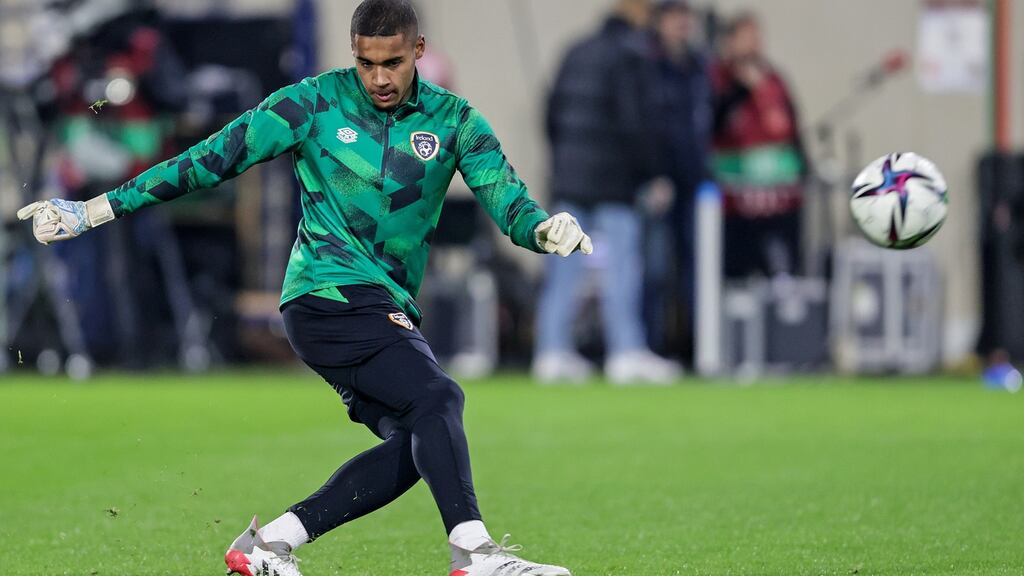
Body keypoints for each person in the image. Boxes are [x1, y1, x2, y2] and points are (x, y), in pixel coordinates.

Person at [17, 2, 589, 575]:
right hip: (326, 294)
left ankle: (267, 544)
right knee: (440, 398)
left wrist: (544, 229)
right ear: (353, 54)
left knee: (421, 441)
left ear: (418, 52)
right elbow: (210, 159)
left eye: (393, 63)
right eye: (366, 64)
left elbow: (506, 200)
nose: (380, 78)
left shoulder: (456, 121)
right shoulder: (311, 103)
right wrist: (92, 210)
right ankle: (475, 554)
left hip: (385, 304)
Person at [533, 0, 682, 385]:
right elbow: (637, 122)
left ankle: (551, 351)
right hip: (614, 181)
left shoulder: (575, 50)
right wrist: (652, 173)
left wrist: (563, 161)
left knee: (563, 270)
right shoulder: (633, 55)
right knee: (622, 268)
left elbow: (550, 113)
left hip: (570, 177)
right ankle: (625, 351)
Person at [711, 12, 808, 279]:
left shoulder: (773, 80)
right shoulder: (719, 79)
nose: (754, 44)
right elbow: (712, 125)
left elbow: (790, 129)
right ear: (730, 42)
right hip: (735, 205)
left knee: (781, 271)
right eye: (747, 38)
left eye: (757, 37)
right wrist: (741, 90)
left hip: (778, 203)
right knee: (736, 275)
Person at [645, 0, 713, 357]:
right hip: (659, 182)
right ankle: (651, 348)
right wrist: (654, 172)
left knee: (696, 270)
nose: (682, 24)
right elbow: (648, 125)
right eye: (675, 17)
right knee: (654, 270)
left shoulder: (699, 65)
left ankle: (698, 349)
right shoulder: (648, 63)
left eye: (686, 17)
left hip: (694, 183)